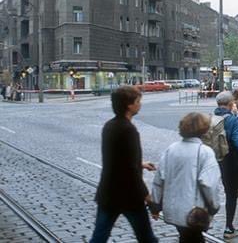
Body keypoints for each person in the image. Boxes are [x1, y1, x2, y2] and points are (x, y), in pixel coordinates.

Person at [89, 86, 158, 243]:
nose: (140, 104)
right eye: (138, 101)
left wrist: (140, 163)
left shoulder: (109, 126)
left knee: (99, 237)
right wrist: (148, 199)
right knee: (147, 238)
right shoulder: (129, 130)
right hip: (129, 196)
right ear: (129, 105)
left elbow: (117, 160)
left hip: (108, 193)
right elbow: (131, 171)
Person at [150, 113, 221, 242]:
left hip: (173, 209)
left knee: (187, 237)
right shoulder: (205, 152)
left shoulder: (171, 149)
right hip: (193, 213)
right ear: (203, 129)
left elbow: (159, 180)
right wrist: (214, 206)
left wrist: (155, 205)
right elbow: (209, 184)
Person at [214, 91, 238, 239]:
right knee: (231, 194)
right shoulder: (231, 119)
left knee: (223, 188)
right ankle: (229, 228)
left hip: (217, 159)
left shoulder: (211, 117)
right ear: (230, 104)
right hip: (231, 159)